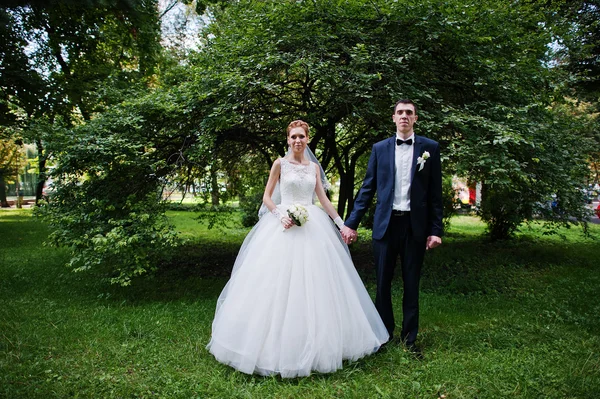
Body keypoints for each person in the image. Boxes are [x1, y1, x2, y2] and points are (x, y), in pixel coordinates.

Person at [207, 120, 389, 378]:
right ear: (288, 139)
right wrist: (279, 215)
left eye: (301, 136)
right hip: (282, 224)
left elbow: (323, 199)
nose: (297, 141)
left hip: (313, 226)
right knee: (273, 283)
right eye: (293, 137)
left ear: (308, 139)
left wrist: (341, 225)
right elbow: (267, 197)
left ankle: (320, 342)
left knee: (318, 284)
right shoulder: (279, 164)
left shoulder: (314, 168)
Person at [341, 99, 443, 355]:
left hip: (414, 227)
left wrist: (435, 230)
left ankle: (410, 341)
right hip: (385, 226)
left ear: (416, 118)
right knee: (382, 283)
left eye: (409, 113)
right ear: (393, 117)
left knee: (411, 284)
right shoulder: (380, 149)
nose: (404, 116)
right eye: (400, 112)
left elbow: (435, 194)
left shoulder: (430, 149)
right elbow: (367, 188)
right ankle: (383, 337)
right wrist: (350, 224)